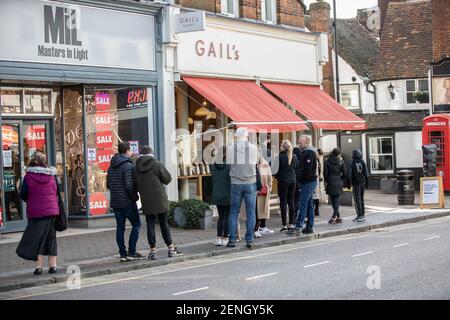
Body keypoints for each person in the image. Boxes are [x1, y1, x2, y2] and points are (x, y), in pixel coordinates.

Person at [134, 146, 183, 259]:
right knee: (163, 224)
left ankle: (153, 251)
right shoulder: (156, 164)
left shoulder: (136, 167)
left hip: (146, 199)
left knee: (150, 224)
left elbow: (136, 184)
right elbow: (167, 179)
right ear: (152, 154)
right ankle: (171, 249)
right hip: (159, 198)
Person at [16, 152, 60, 275]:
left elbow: (23, 194)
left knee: (37, 239)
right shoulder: (51, 175)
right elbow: (56, 191)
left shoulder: (29, 177)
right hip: (51, 211)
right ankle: (53, 266)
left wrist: (31, 201)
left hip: (36, 213)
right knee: (51, 238)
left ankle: (38, 267)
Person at [107, 142, 143, 262]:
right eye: (131, 150)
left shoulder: (111, 166)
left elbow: (108, 184)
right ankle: (131, 252)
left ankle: (122, 254)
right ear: (127, 151)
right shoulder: (128, 166)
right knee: (137, 224)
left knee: (120, 228)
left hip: (116, 202)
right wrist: (135, 197)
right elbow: (128, 186)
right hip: (127, 202)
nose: (131, 152)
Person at [226, 127, 259, 249]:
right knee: (251, 212)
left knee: (234, 212)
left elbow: (229, 165)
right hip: (250, 182)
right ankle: (249, 239)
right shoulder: (254, 148)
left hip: (235, 182)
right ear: (247, 136)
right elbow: (256, 164)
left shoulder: (230, 148)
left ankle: (232, 239)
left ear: (236, 136)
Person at [288, 135, 317, 235]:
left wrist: (302, 181)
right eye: (299, 142)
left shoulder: (309, 153)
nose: (299, 144)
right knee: (308, 205)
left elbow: (307, 170)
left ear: (307, 142)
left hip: (307, 183)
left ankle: (299, 227)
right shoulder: (307, 152)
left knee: (302, 204)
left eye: (301, 142)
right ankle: (309, 227)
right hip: (309, 182)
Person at [274, 140, 298, 232]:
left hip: (283, 181)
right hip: (293, 180)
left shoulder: (279, 157)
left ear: (282, 147)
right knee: (291, 202)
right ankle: (291, 224)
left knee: (283, 203)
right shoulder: (294, 156)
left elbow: (275, 171)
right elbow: (297, 168)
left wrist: (278, 177)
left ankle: (284, 224)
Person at [211, 147, 231, 246]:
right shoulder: (229, 166)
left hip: (217, 195)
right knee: (227, 217)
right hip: (228, 194)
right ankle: (225, 238)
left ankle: (218, 238)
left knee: (221, 217)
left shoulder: (214, 166)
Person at [324, 148, 347, 224]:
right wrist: (340, 179)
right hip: (338, 181)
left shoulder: (327, 162)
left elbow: (325, 174)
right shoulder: (341, 162)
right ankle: (335, 217)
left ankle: (337, 217)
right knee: (336, 201)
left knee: (333, 201)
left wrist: (327, 180)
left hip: (330, 182)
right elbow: (345, 174)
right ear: (339, 154)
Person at [347, 149, 369, 222]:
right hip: (362, 182)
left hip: (356, 183)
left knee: (357, 199)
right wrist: (367, 184)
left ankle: (359, 215)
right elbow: (366, 174)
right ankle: (362, 214)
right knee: (362, 198)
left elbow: (349, 175)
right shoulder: (362, 162)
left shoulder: (352, 162)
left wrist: (348, 184)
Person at [254, 158, 274, 236]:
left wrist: (269, 188)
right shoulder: (250, 163)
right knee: (254, 211)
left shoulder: (265, 163)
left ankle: (262, 226)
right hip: (253, 190)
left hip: (263, 190)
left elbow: (269, 177)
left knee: (263, 209)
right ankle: (255, 229)